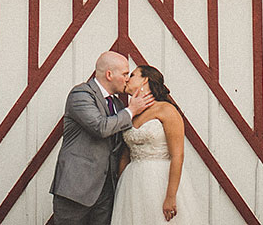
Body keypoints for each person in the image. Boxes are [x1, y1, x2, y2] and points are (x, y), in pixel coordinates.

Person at [51, 51, 154, 225]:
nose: (127, 79)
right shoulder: (81, 95)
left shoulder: (119, 105)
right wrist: (132, 111)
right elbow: (100, 127)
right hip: (76, 189)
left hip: (106, 192)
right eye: (124, 74)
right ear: (109, 74)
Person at [110, 65, 204, 224]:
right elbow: (125, 155)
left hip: (160, 180)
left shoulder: (166, 110)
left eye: (132, 75)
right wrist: (120, 189)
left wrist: (170, 196)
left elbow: (177, 155)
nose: (127, 79)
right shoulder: (130, 113)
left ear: (145, 79)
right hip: (132, 183)